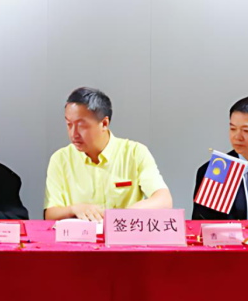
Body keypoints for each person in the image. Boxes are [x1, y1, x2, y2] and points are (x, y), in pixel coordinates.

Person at [45, 87, 172, 221]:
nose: (73, 134)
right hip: (80, 238)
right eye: (69, 124)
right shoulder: (60, 158)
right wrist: (74, 209)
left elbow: (164, 200)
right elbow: (50, 215)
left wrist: (125, 214)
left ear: (104, 123)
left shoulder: (135, 153)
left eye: (81, 125)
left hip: (123, 236)